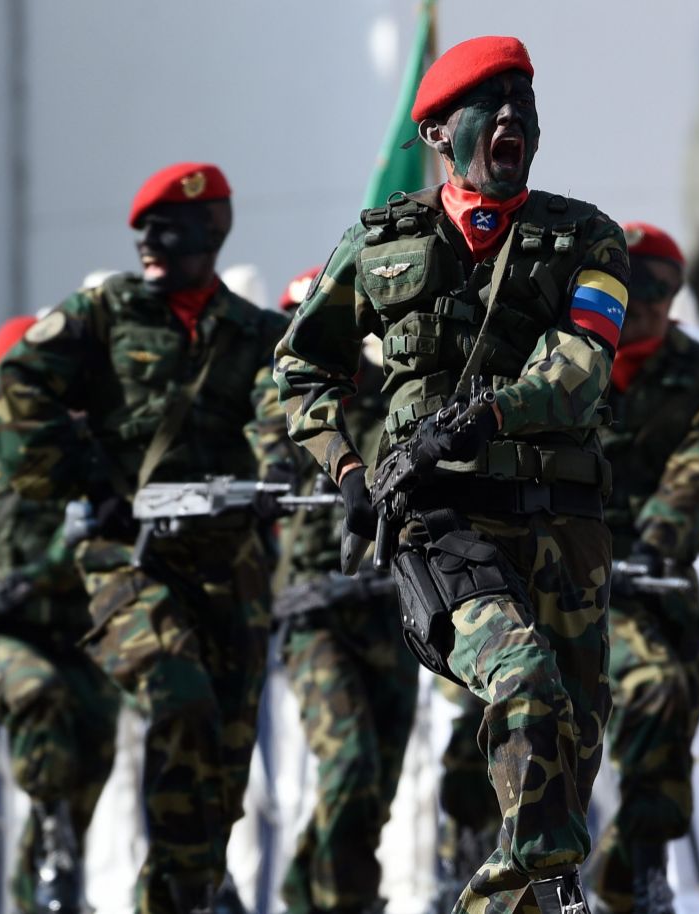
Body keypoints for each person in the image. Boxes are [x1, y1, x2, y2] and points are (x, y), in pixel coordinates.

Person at [275, 35, 629, 913]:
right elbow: (301, 371)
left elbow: (582, 366)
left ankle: (529, 893)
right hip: (445, 528)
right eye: (489, 103)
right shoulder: (379, 242)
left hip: (565, 527)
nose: (513, 116)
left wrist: (483, 416)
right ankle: (532, 894)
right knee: (523, 682)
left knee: (568, 755)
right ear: (436, 128)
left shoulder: (588, 237)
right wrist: (351, 473)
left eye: (524, 102)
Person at [0, 162, 292, 913]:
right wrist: (87, 479)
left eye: (169, 229)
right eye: (143, 229)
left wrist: (275, 472)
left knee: (221, 768)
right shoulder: (105, 313)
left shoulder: (258, 334)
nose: (148, 241)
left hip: (229, 572)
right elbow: (11, 393)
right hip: (131, 560)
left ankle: (181, 897)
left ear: (212, 232)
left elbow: (285, 409)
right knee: (177, 695)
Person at [0, 316, 119, 914]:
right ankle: (48, 849)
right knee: (37, 696)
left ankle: (42, 882)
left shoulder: (89, 457)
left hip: (76, 635)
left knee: (92, 748)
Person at [588, 223, 699, 914]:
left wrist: (659, 538)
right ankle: (637, 871)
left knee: (670, 730)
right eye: (632, 285)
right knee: (646, 693)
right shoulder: (565, 366)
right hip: (573, 583)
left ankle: (625, 882)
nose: (646, 301)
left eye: (661, 287)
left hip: (660, 581)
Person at [263, 265, 420, 914]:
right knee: (349, 764)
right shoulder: (279, 403)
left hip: (392, 609)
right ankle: (340, 903)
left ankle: (309, 893)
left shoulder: (392, 395)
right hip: (315, 615)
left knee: (373, 791)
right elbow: (265, 453)